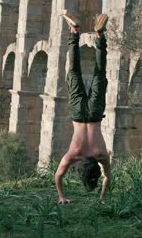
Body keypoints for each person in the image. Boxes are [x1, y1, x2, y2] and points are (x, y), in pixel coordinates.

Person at [55, 13, 112, 204]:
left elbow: (108, 177)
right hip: (78, 113)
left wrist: (103, 197)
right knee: (74, 72)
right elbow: (58, 177)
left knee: (99, 73)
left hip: (95, 113)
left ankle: (99, 36)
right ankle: (74, 32)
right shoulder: (74, 155)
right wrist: (61, 196)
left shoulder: (102, 155)